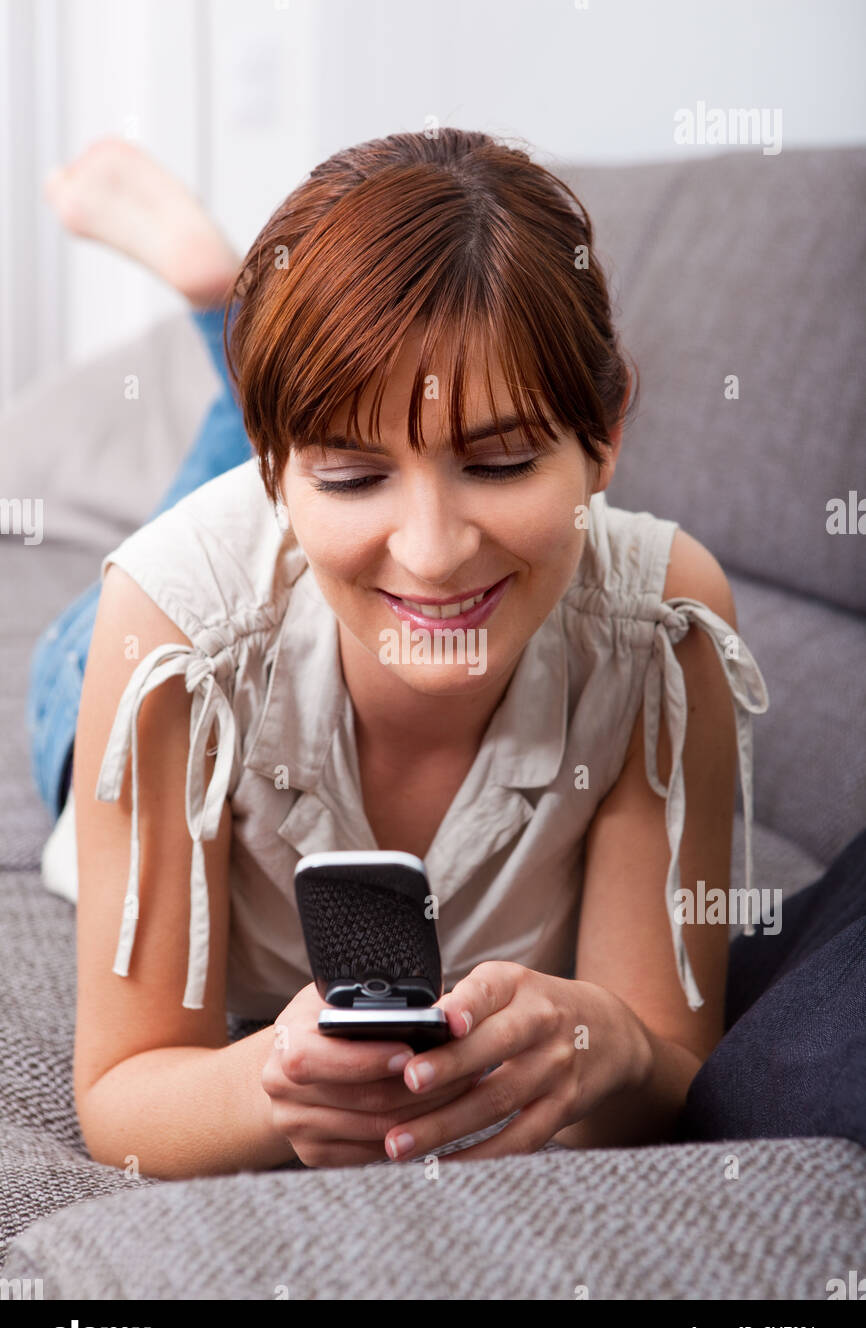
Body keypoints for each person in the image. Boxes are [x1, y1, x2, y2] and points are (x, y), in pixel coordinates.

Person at [29, 129, 783, 1179]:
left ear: (604, 434)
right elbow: (125, 1089)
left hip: (278, 563)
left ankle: (247, 345)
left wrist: (604, 1051)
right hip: (119, 667)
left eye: (502, 462)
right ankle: (221, 310)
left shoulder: (661, 626)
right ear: (277, 474)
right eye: (349, 478)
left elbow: (662, 1056)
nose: (433, 555)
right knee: (150, 563)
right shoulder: (170, 626)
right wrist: (265, 1086)